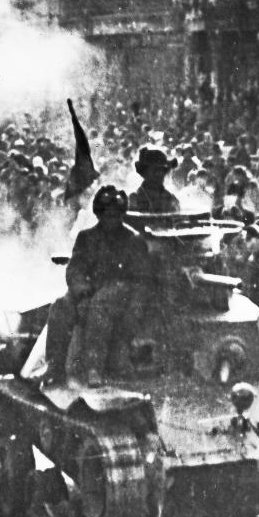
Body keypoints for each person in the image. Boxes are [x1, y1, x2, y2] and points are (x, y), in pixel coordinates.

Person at [44, 186, 148, 387]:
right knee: (60, 306)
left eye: (116, 215)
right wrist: (80, 287)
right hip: (89, 290)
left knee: (100, 305)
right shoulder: (86, 237)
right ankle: (54, 366)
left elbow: (140, 279)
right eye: (107, 214)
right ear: (99, 214)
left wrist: (133, 305)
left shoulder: (133, 240)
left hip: (120, 292)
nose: (111, 219)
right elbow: (75, 268)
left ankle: (94, 368)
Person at [128, 146, 180, 213]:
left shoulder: (171, 199)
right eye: (155, 170)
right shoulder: (135, 199)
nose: (160, 173)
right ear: (144, 172)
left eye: (163, 170)